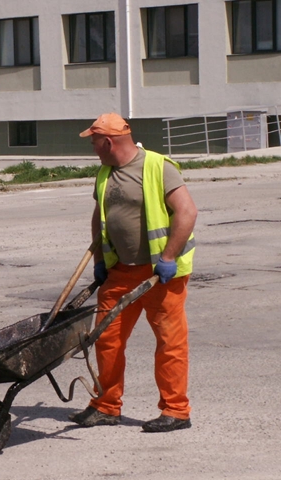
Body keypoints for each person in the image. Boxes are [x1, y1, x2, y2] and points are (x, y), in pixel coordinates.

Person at [70, 113, 197, 433]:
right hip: (120, 273)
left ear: (108, 142)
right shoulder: (104, 173)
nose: (93, 148)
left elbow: (187, 211)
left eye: (94, 142)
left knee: (170, 342)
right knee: (106, 339)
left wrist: (168, 258)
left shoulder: (157, 166)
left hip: (159, 275)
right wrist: (100, 259)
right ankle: (106, 405)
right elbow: (99, 218)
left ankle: (176, 411)